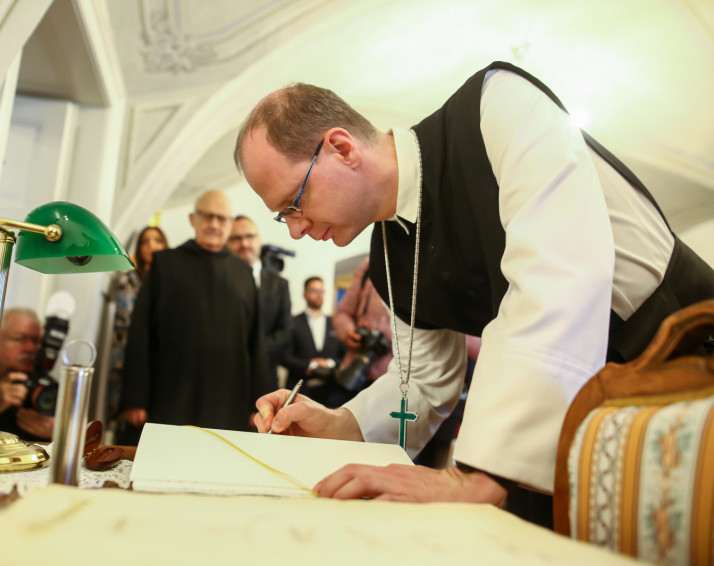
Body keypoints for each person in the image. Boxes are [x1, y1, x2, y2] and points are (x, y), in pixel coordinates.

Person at [233, 61, 714, 526]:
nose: (295, 231)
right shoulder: (387, 256)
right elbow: (426, 379)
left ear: (341, 148)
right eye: (283, 216)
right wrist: (344, 424)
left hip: (679, 367)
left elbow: (557, 273)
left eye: (294, 204)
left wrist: (480, 473)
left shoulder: (497, 106)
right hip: (558, 418)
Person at [119, 190, 271, 441]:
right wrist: (135, 397)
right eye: (208, 216)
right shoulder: (164, 264)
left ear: (230, 224)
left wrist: (259, 402)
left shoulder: (243, 273)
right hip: (172, 393)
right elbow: (141, 332)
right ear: (193, 219)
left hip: (228, 398)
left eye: (222, 219)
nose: (214, 224)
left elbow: (256, 342)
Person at [109, 225, 168, 442]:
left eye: (157, 240)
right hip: (133, 361)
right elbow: (124, 332)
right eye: (146, 241)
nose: (152, 245)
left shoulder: (173, 282)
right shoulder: (130, 282)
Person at [228, 215, 291, 387]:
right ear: (226, 244)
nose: (244, 244)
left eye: (250, 236)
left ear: (259, 241)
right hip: (226, 378)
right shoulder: (218, 281)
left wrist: (255, 352)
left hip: (265, 376)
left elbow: (285, 332)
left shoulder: (280, 284)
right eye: (236, 238)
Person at [0, 308, 56, 442]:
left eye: (35, 341)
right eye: (19, 339)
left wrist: (57, 432)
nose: (31, 348)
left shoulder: (48, 387)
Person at [280, 276, 346, 407]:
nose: (319, 295)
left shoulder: (335, 324)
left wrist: (329, 363)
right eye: (314, 290)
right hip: (300, 391)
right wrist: (310, 365)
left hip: (330, 393)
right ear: (304, 294)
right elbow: (283, 356)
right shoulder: (292, 322)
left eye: (322, 291)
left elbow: (346, 356)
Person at [332, 256, 393, 389]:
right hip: (353, 374)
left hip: (394, 381)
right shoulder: (369, 265)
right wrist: (349, 331)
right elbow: (343, 313)